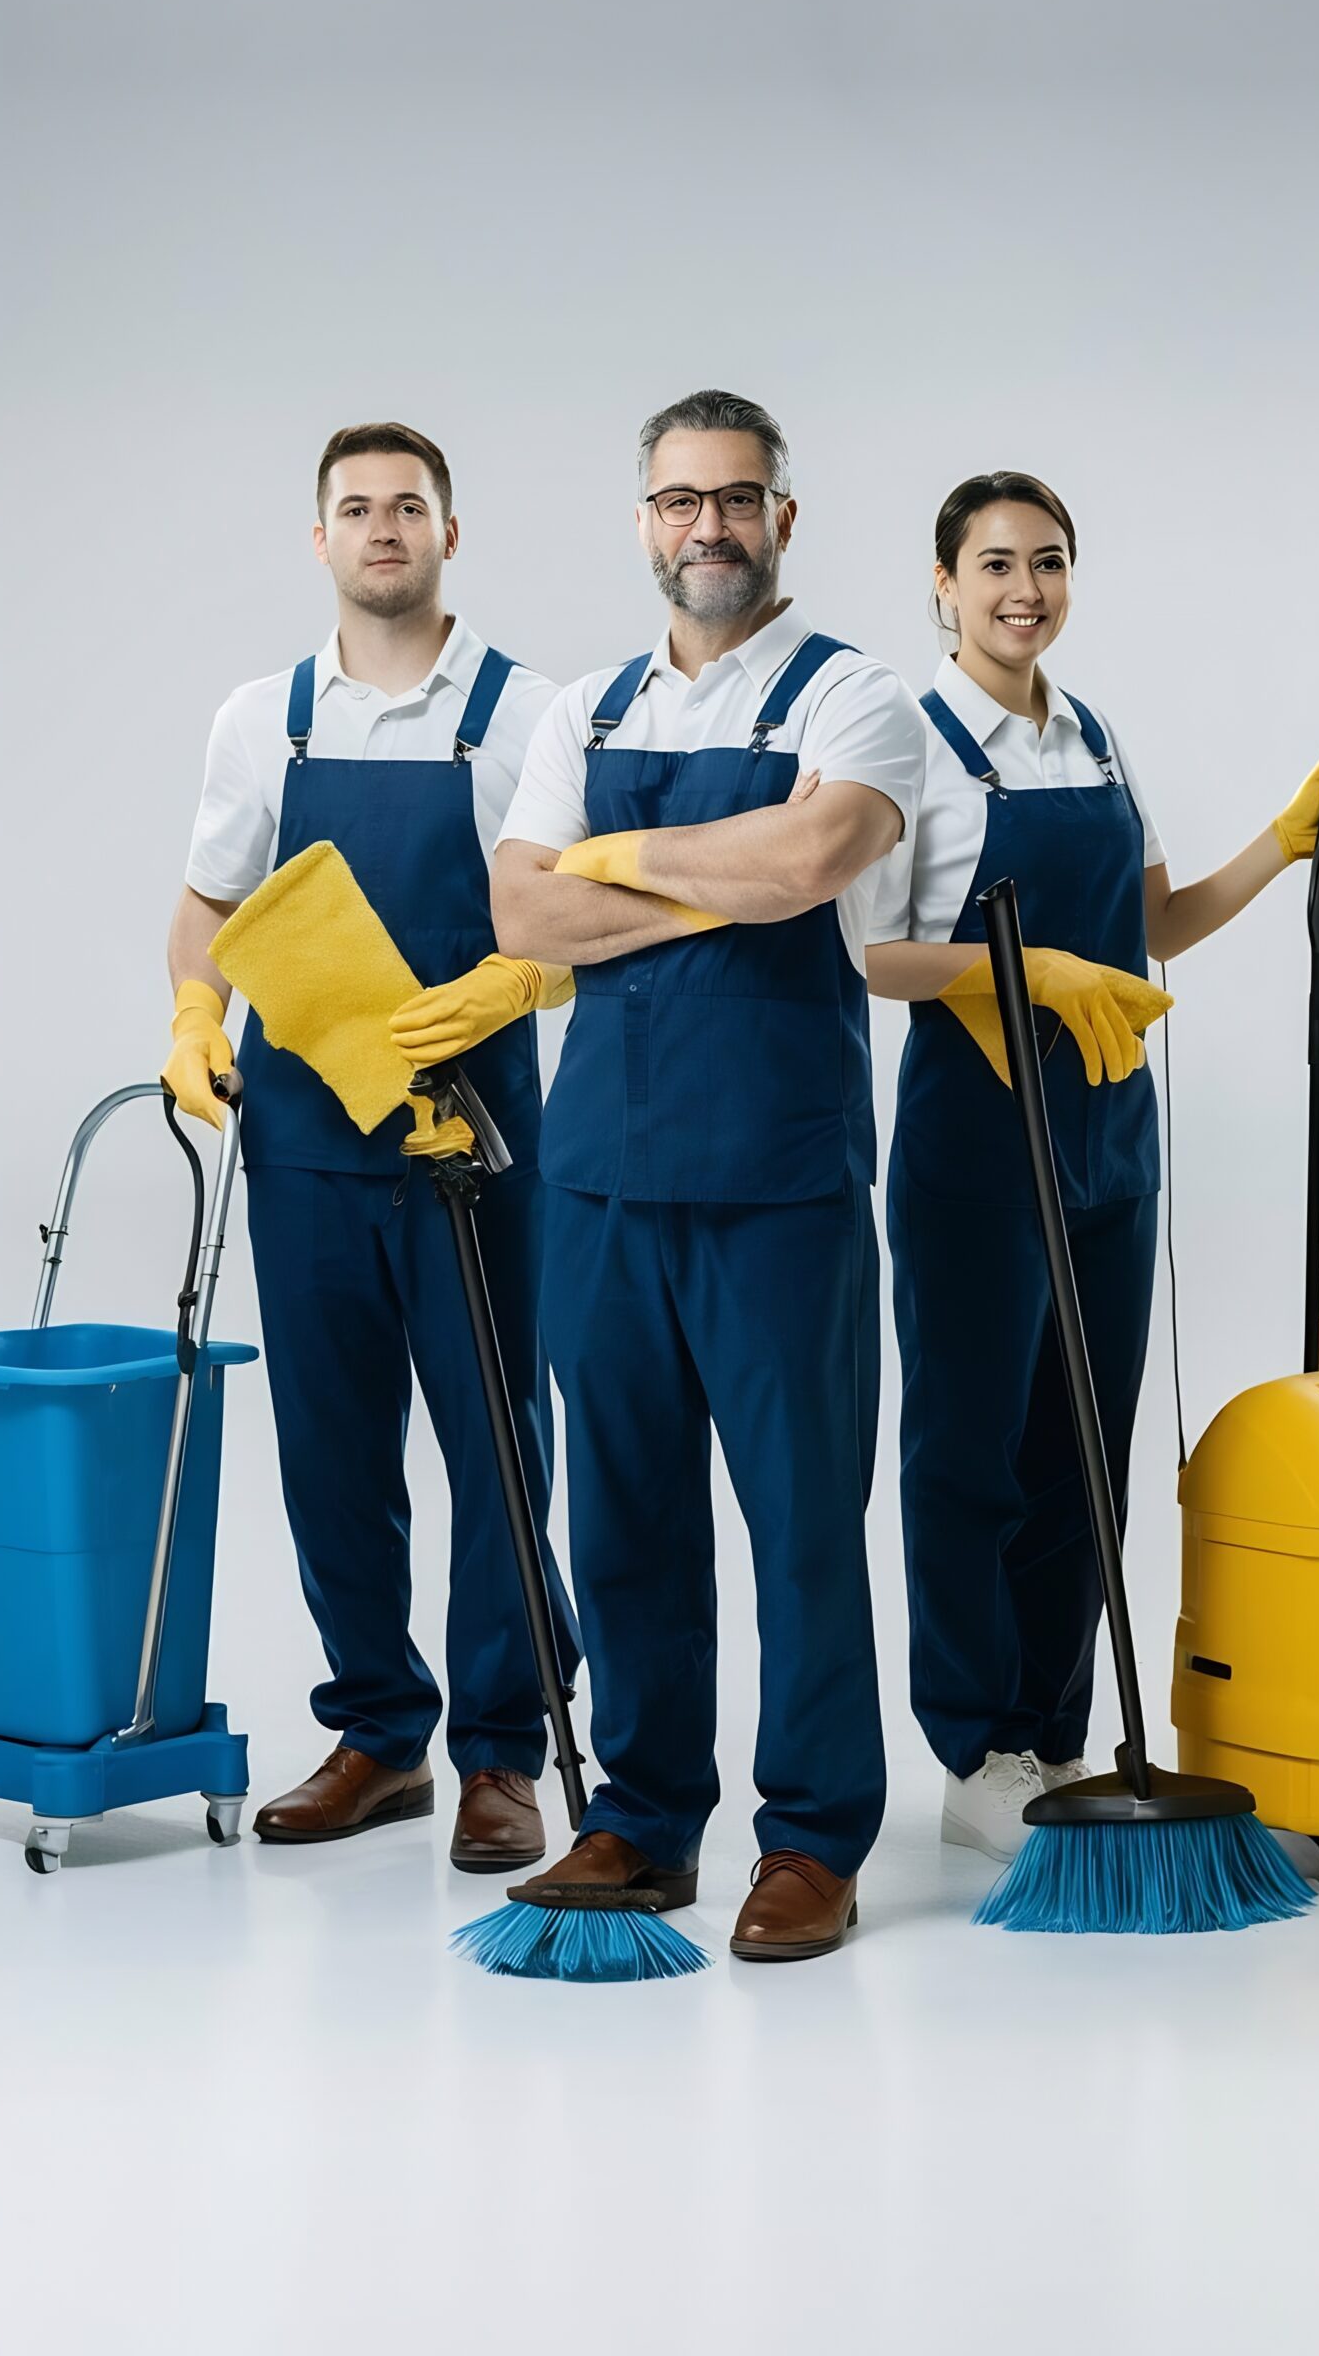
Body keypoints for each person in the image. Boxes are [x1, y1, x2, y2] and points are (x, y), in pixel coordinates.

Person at [868, 470, 1319, 1861]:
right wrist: (1025, 969)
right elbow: (869, 953)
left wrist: (1285, 839)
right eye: (993, 565)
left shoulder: (1091, 737)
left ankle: (1058, 1732)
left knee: (1084, 1451)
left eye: (1048, 560)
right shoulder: (906, 744)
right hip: (974, 1145)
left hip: (1107, 1144)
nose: (1023, 588)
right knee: (969, 1454)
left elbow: (1158, 925)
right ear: (943, 585)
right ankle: (977, 1751)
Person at [491, 388, 923, 1960]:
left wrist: (607, 861)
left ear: (784, 519)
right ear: (645, 524)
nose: (710, 527)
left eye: (738, 499)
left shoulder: (856, 696)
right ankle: (643, 1817)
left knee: (803, 1521)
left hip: (780, 1185)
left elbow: (814, 865)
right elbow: (523, 921)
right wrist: (706, 876)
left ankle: (810, 1837)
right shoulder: (583, 711)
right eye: (681, 502)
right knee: (623, 1522)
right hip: (599, 1180)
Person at [165, 420, 579, 1867]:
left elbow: (575, 909)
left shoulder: (532, 713)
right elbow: (212, 908)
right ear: (321, 538)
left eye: (409, 506)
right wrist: (190, 1018)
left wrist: (531, 977)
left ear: (450, 533)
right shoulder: (261, 721)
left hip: (469, 1134)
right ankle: (379, 1732)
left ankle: (501, 1752)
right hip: (302, 1140)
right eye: (356, 508)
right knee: (332, 1446)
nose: (383, 528)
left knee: (496, 1439)